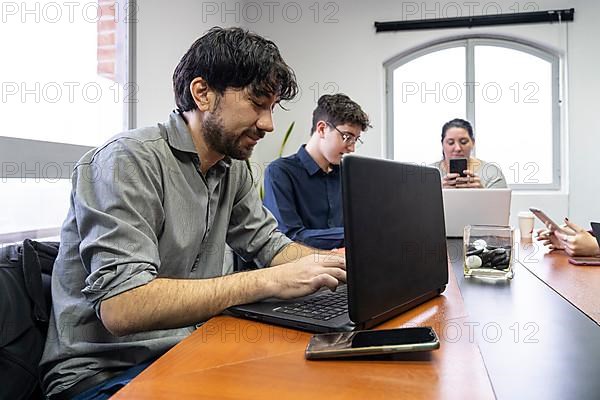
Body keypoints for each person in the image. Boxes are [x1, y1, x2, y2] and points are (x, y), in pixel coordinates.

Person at [40, 27, 346, 399]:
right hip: (104, 375)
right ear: (202, 93)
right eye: (257, 103)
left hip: (192, 349)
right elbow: (123, 307)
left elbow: (272, 247)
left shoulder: (233, 168)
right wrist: (269, 281)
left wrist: (345, 266)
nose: (269, 124)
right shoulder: (125, 162)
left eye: (271, 108)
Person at [263, 94, 370, 250]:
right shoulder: (280, 172)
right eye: (347, 137)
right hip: (302, 270)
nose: (351, 148)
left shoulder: (348, 177)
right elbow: (289, 236)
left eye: (356, 140)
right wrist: (353, 234)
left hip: (345, 268)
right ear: (322, 129)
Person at [430, 118, 507, 189]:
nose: (457, 148)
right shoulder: (429, 173)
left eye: (463, 142)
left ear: (473, 143)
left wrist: (482, 193)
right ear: (442, 144)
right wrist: (437, 192)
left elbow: (501, 203)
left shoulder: (492, 173)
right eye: (451, 143)